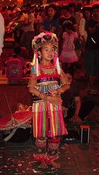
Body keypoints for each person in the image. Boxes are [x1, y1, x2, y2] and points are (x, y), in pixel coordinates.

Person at [28, 32, 70, 169]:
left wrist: (58, 91)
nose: (50, 52)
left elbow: (66, 84)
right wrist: (47, 97)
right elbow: (32, 89)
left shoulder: (57, 68)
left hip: (55, 106)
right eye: (46, 49)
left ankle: (51, 157)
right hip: (40, 105)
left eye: (52, 49)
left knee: (55, 133)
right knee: (41, 134)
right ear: (39, 53)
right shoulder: (36, 69)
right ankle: (41, 158)